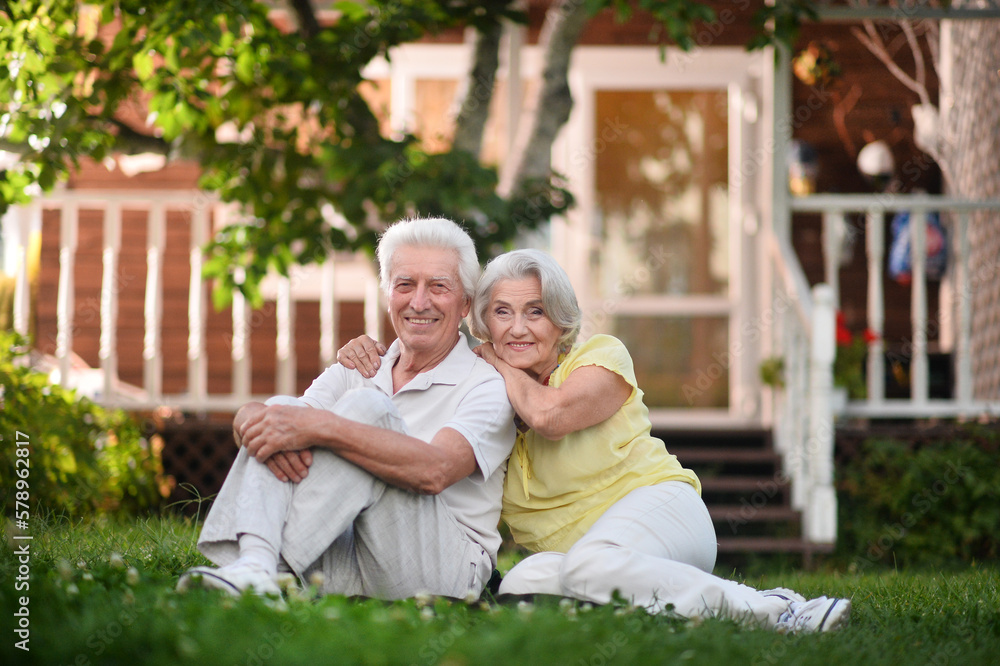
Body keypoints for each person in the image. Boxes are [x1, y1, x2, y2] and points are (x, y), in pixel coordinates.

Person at [338, 248, 851, 633]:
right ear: (482, 321)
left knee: (590, 564)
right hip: (579, 559)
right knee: (519, 585)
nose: (518, 329)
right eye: (502, 313)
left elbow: (550, 416)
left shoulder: (599, 358)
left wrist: (491, 360)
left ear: (560, 320)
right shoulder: (481, 401)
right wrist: (375, 360)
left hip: (661, 512)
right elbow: (416, 443)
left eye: (535, 312)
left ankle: (776, 610)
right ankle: (660, 617)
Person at [180, 217, 515, 601]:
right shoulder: (357, 368)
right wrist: (248, 417)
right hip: (345, 553)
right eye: (405, 284)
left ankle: (263, 565)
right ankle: (256, 566)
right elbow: (280, 422)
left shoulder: (486, 384)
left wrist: (323, 428)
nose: (419, 302)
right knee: (282, 406)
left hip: (444, 570)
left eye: (438, 287)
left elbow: (435, 471)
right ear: (388, 293)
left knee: (366, 409)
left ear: (465, 304)